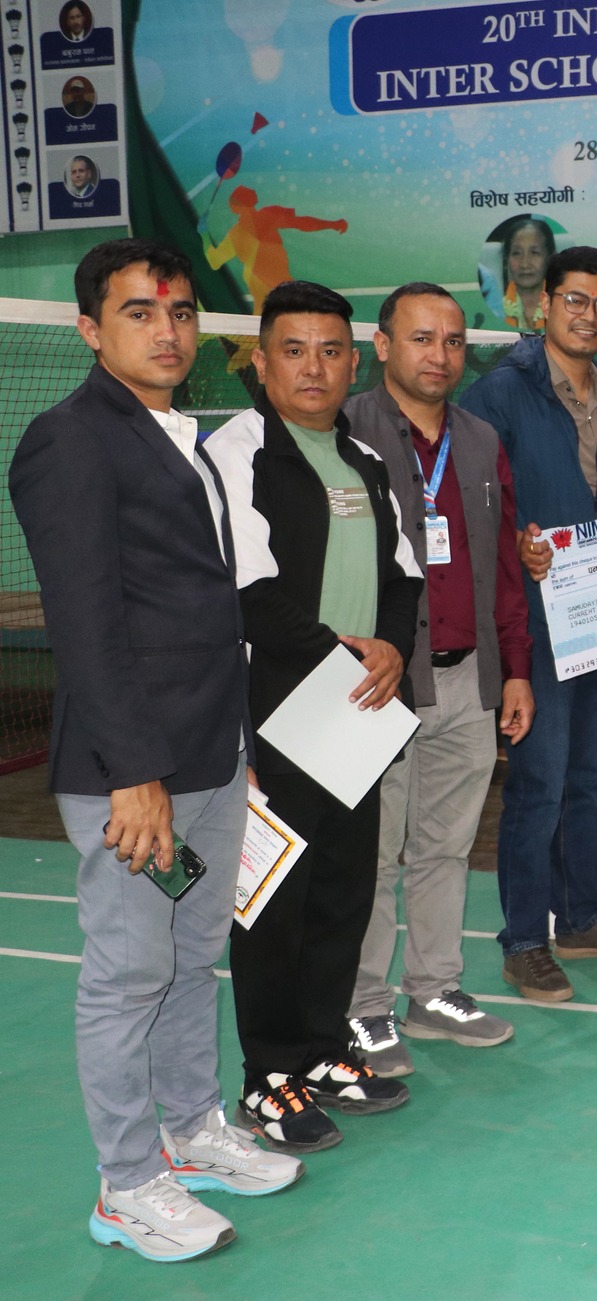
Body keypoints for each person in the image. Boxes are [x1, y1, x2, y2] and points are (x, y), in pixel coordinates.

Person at [12, 239, 301, 1261]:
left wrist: (235, 743)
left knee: (190, 955)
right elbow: (86, 622)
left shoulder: (179, 434)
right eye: (139, 312)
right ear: (90, 329)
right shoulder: (70, 439)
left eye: (179, 312)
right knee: (129, 971)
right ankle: (128, 1182)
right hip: (132, 772)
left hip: (209, 753)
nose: (167, 331)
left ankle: (191, 1128)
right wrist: (135, 773)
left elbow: (201, 607)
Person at [208, 280, 421, 1149]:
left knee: (343, 890)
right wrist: (348, 653)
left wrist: (391, 648)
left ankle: (326, 1051)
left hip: (355, 716)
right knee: (272, 903)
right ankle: (268, 1076)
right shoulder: (237, 452)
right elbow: (249, 594)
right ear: (261, 361)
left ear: (354, 362)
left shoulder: (364, 459)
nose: (313, 367)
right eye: (293, 350)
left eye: (331, 351)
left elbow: (403, 575)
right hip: (272, 717)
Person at [462, 245, 597, 1005]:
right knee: (538, 784)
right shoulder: (499, 393)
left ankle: (579, 916)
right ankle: (523, 942)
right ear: (543, 304)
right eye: (575, 300)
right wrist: (511, 545)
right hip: (532, 626)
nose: (590, 316)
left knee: (590, 779)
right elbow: (471, 503)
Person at [342, 282, 531, 1077]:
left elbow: (503, 567)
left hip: (468, 681)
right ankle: (362, 1006)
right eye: (422, 338)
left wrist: (515, 670)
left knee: (446, 848)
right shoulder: (344, 429)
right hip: (377, 683)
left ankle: (434, 989)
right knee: (374, 855)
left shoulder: (481, 440)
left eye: (453, 341)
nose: (440, 354)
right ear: (383, 345)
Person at [203, 184, 348, 313]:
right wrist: (332, 224)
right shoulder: (264, 218)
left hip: (270, 286)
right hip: (269, 286)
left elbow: (214, 260)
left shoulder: (237, 233)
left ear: (235, 207)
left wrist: (203, 235)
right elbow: (302, 223)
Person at [498, 217, 554, 332]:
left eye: (534, 252)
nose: (524, 264)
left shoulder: (562, 308)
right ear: (506, 260)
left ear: (551, 258)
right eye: (516, 253)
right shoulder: (497, 309)